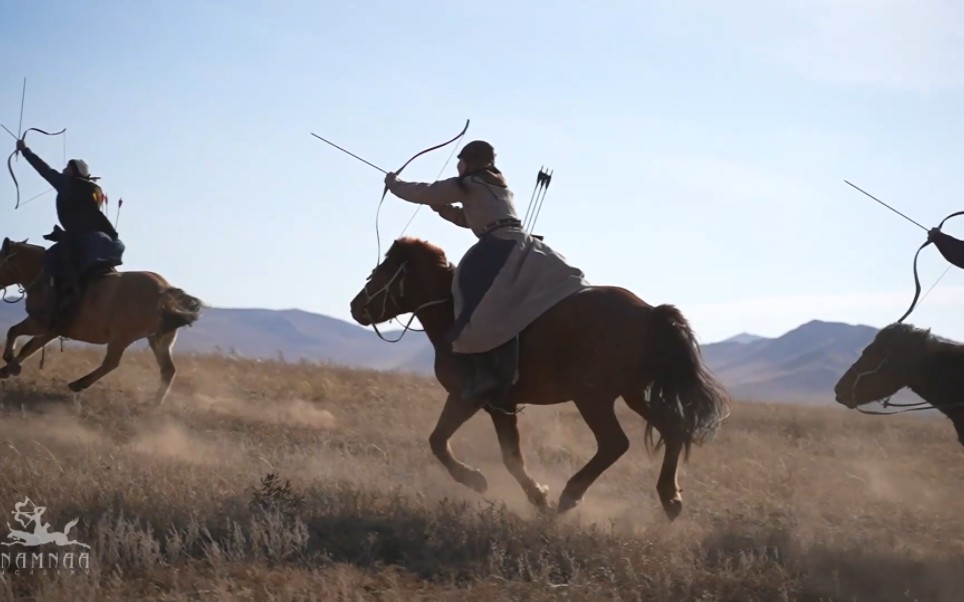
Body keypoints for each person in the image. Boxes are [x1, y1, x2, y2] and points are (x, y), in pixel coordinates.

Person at [384, 140, 589, 411]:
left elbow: (425, 192)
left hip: (497, 248)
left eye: (461, 161)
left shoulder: (467, 184)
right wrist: (444, 210)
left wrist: (395, 184)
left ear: (471, 161)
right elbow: (471, 218)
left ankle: (488, 375)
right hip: (523, 244)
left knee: (472, 304)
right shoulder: (495, 185)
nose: (458, 165)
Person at [14, 138, 125, 332]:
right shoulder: (94, 189)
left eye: (67, 167)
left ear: (73, 171)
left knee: (51, 259)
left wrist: (25, 151)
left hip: (85, 239)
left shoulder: (70, 184)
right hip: (105, 239)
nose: (64, 170)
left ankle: (55, 309)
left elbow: (45, 171)